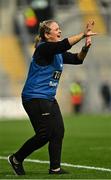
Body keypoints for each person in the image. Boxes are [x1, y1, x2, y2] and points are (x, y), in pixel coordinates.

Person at [8, 19, 97, 175]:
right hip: (34, 97)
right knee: (45, 133)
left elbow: (78, 60)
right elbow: (63, 45)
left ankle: (54, 168)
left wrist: (86, 47)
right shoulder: (44, 49)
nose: (60, 31)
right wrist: (83, 34)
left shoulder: (58, 53)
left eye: (59, 29)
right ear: (47, 35)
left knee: (58, 131)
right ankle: (16, 159)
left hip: (48, 97)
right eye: (56, 29)